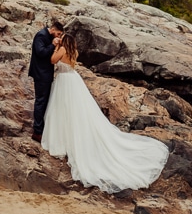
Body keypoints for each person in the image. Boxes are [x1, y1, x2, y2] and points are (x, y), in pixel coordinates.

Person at [42, 33, 169, 193]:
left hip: (65, 81)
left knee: (64, 108)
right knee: (74, 110)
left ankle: (62, 139)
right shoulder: (74, 51)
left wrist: (55, 47)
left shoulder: (62, 50)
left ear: (65, 41)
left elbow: (52, 60)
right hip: (73, 80)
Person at [28, 20, 65, 142]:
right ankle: (37, 132)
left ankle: (42, 129)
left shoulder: (47, 36)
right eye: (58, 34)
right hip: (41, 74)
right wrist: (53, 45)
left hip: (45, 74)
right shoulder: (41, 35)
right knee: (41, 101)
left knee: (44, 101)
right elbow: (41, 52)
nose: (58, 36)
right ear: (53, 30)